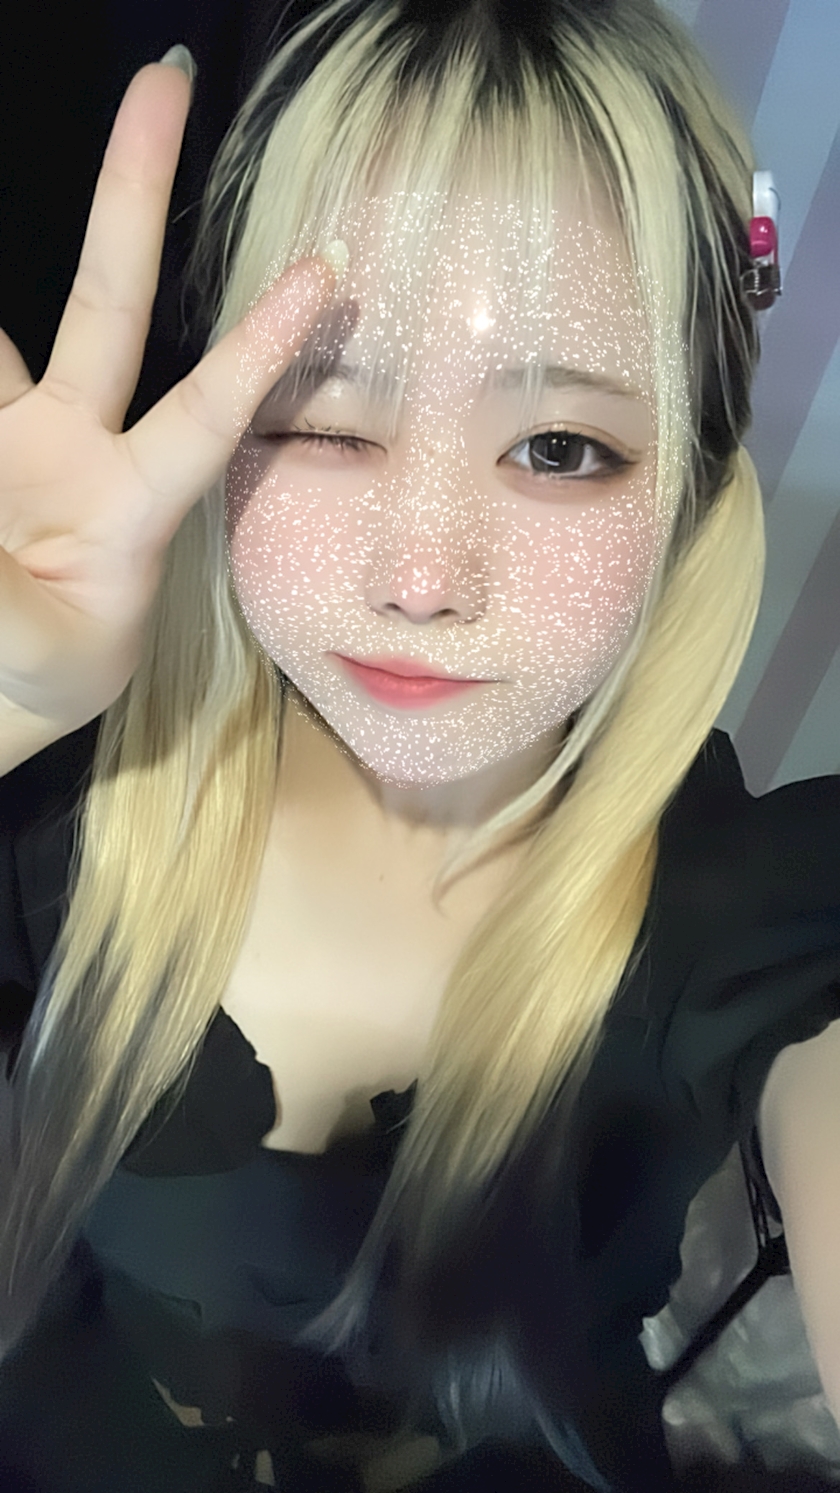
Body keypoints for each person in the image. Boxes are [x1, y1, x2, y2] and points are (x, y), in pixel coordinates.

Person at [1, 2, 840, 1490]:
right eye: (325, 424)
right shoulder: (66, 800)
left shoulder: (745, 914)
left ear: (691, 493)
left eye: (560, 447)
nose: (422, 578)